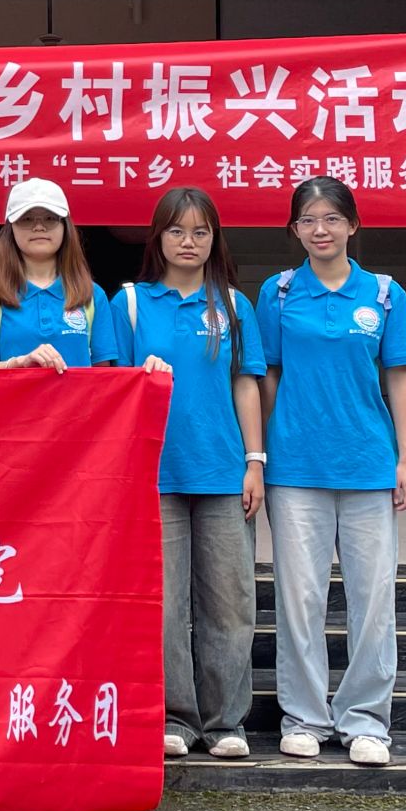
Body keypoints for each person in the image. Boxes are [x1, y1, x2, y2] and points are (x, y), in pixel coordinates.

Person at [257, 176, 406, 769]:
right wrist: (265, 449)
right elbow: (267, 376)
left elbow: (398, 376)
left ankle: (366, 720)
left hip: (369, 465)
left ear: (352, 225)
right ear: (294, 230)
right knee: (300, 598)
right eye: (307, 220)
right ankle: (304, 717)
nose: (319, 229)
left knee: (373, 599)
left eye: (331, 218)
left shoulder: (384, 294)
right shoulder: (278, 293)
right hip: (296, 467)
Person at [115, 187, 267, 762]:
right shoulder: (131, 303)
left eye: (200, 232)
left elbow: (245, 384)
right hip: (154, 474)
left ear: (214, 240)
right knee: (164, 604)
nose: (188, 242)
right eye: (176, 231)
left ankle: (227, 721)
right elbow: (113, 383)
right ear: (157, 238)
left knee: (230, 602)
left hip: (224, 474)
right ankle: (175, 718)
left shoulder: (233, 305)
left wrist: (255, 462)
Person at [0, 178, 118, 372]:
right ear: (11, 229)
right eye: (26, 219)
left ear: (65, 226)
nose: (39, 227)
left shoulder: (92, 294)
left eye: (50, 218)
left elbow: (103, 373)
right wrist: (20, 362)